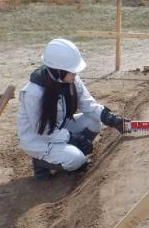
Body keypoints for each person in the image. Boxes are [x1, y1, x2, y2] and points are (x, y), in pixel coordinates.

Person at [17, 38, 130, 179]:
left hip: (59, 127)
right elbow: (45, 132)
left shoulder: (70, 79)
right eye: (72, 71)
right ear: (58, 70)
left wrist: (111, 119)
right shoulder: (34, 93)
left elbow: (88, 104)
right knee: (77, 160)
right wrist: (74, 139)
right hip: (39, 139)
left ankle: (66, 152)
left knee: (94, 122)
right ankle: (41, 162)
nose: (75, 74)